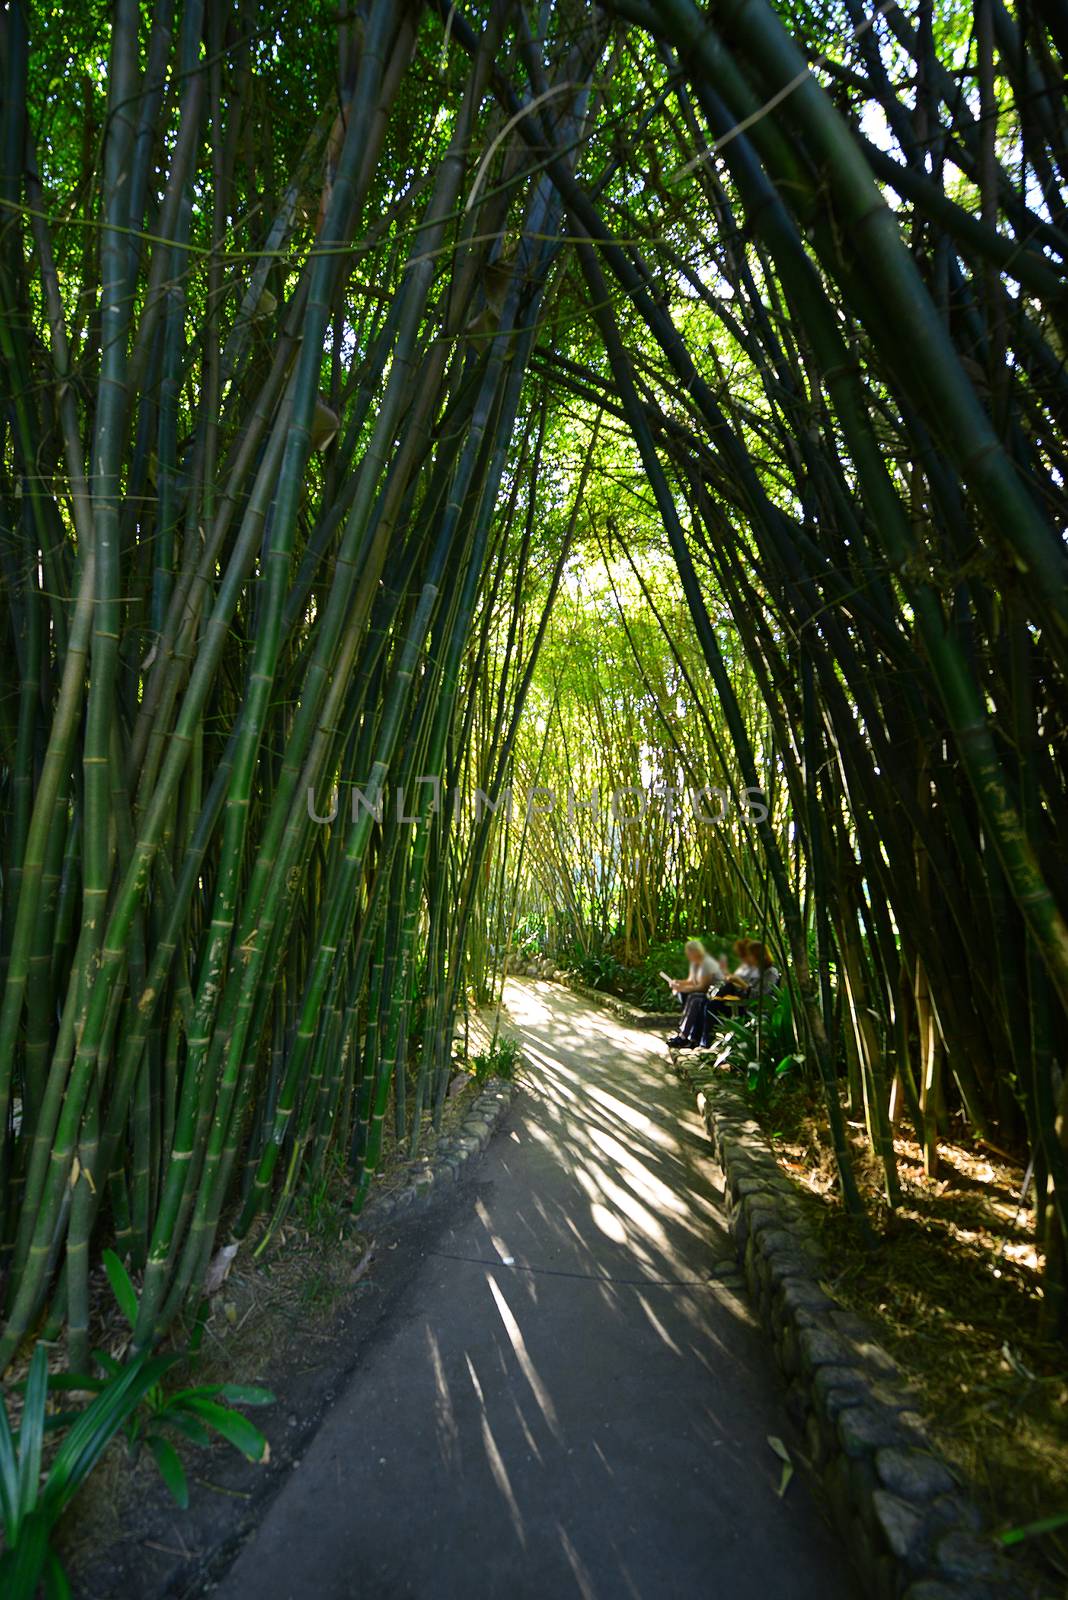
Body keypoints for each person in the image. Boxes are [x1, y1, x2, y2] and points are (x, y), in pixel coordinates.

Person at [665, 940, 723, 1049]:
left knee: (694, 998)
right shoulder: (694, 963)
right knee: (690, 996)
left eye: (689, 952)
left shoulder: (707, 963)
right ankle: (684, 1034)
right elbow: (691, 981)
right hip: (705, 993)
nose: (687, 955)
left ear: (696, 952)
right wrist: (677, 982)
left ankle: (684, 1036)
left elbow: (702, 987)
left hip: (715, 995)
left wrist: (681, 988)